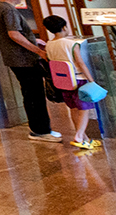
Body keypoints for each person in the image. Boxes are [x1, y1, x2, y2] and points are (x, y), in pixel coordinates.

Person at [0, 0, 66, 143]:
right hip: (23, 59)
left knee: (30, 93)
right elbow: (14, 34)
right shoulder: (8, 9)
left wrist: (33, 40)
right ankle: (40, 131)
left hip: (14, 58)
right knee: (34, 95)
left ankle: (40, 129)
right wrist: (38, 51)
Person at [41, 15, 100, 151]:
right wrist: (91, 80)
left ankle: (85, 139)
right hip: (78, 79)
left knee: (73, 108)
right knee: (84, 109)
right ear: (64, 27)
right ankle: (78, 137)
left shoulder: (49, 44)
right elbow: (80, 63)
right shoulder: (71, 44)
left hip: (63, 81)